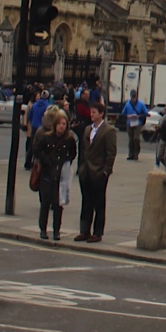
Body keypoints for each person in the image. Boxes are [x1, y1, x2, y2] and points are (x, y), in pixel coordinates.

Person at [75, 101, 117, 242]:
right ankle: (84, 231)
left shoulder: (108, 131)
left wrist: (106, 171)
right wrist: (81, 167)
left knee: (99, 203)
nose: (91, 114)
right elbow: (83, 150)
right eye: (91, 112)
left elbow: (111, 153)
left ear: (101, 114)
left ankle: (97, 232)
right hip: (86, 171)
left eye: (94, 112)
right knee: (86, 202)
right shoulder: (88, 129)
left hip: (99, 172)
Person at [33, 107, 77, 240]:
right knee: (45, 204)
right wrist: (46, 159)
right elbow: (37, 150)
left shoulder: (69, 139)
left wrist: (66, 161)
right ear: (55, 125)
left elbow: (73, 153)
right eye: (59, 124)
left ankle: (56, 230)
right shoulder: (46, 138)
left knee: (58, 205)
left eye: (64, 124)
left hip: (60, 177)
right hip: (46, 175)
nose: (61, 127)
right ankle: (43, 229)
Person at [120, 90, 149, 161]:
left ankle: (136, 154)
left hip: (138, 123)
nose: (133, 98)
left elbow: (146, 113)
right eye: (132, 96)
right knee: (130, 140)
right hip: (129, 123)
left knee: (136, 138)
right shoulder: (127, 104)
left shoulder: (141, 104)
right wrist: (127, 116)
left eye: (134, 96)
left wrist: (139, 116)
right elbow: (123, 113)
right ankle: (131, 154)